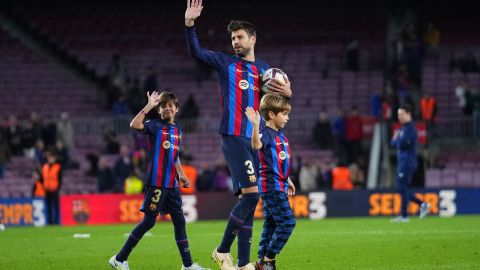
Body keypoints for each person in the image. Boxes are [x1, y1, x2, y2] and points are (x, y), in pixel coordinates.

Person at [185, 1, 292, 269]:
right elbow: (196, 51)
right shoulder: (225, 63)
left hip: (255, 140)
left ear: (252, 39)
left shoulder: (265, 71)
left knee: (250, 199)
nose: (235, 41)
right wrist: (190, 24)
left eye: (240, 37)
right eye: (233, 37)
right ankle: (222, 251)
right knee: (253, 196)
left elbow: (277, 106)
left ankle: (244, 263)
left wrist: (288, 94)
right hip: (234, 136)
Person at [109, 91, 208, 270]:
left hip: (172, 184)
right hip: (157, 183)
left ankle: (188, 265)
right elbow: (134, 124)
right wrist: (149, 106)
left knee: (179, 221)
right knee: (148, 222)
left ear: (176, 109)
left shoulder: (178, 130)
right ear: (159, 110)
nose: (167, 108)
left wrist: (181, 174)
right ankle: (119, 258)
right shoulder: (154, 126)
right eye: (163, 106)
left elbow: (174, 156)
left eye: (170, 105)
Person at [245, 94, 295, 270]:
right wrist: (256, 126)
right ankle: (268, 259)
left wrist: (287, 179)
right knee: (288, 223)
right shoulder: (265, 133)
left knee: (272, 223)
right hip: (271, 186)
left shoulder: (280, 135)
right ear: (272, 115)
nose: (287, 117)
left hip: (279, 184)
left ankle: (261, 260)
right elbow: (256, 146)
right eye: (284, 114)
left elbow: (277, 162)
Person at [390, 104, 430, 222]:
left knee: (402, 187)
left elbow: (402, 143)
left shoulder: (411, 129)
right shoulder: (402, 129)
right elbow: (393, 143)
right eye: (398, 114)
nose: (399, 116)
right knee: (401, 188)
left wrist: (397, 139)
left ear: (408, 114)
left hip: (407, 162)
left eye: (402, 114)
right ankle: (421, 205)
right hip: (402, 161)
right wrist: (397, 140)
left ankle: (405, 215)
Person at [41, 150, 62, 225]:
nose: (50, 159)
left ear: (55, 158)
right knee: (48, 206)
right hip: (47, 189)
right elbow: (42, 178)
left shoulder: (58, 167)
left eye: (51, 157)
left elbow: (60, 179)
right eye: (49, 157)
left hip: (55, 189)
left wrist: (58, 188)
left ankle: (56, 221)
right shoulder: (44, 167)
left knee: (55, 206)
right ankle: (49, 222)